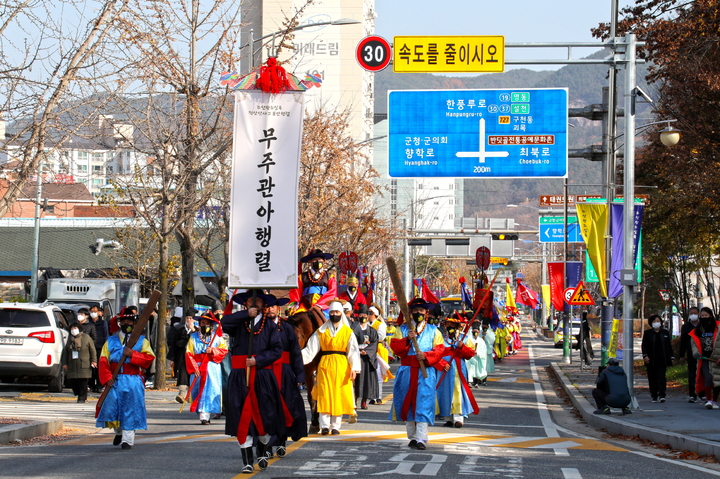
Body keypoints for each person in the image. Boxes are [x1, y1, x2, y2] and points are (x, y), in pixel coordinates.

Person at [221, 290, 285, 473]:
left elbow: (276, 350)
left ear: (264, 305)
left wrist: (258, 360)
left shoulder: (271, 327)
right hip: (240, 375)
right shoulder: (239, 323)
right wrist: (244, 315)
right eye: (250, 301)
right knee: (241, 414)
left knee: (266, 415)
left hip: (262, 376)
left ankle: (263, 448)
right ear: (246, 304)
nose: (254, 304)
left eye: (257, 302)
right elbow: (224, 323)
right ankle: (247, 460)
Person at [389, 298, 448, 450]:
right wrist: (407, 340)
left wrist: (427, 356)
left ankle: (422, 438)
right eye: (415, 311)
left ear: (426, 312)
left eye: (421, 311)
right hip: (407, 371)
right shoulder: (402, 329)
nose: (418, 313)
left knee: (423, 402)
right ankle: (412, 437)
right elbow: (395, 347)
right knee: (407, 402)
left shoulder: (434, 331)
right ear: (410, 313)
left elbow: (440, 350)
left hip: (425, 372)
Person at [96, 312, 155, 449]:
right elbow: (103, 360)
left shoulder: (142, 341)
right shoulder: (110, 341)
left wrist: (133, 354)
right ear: (119, 324)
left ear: (134, 324)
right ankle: (119, 432)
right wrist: (107, 378)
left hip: (133, 380)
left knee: (130, 408)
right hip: (115, 380)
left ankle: (127, 440)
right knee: (113, 408)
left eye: (129, 322)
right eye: (123, 322)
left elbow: (149, 358)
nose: (126, 324)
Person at [301, 300, 361, 435]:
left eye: (337, 312)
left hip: (342, 366)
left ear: (341, 314)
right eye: (332, 312)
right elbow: (310, 350)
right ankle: (324, 425)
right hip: (325, 365)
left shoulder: (348, 332)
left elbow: (353, 351)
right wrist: (296, 358)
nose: (335, 314)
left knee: (338, 395)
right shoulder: (321, 332)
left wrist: (354, 368)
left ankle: (335, 426)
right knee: (324, 394)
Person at [266, 294, 307, 457]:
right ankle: (266, 445)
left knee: (286, 407)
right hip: (265, 372)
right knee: (267, 408)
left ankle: (281, 440)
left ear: (278, 309)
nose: (269, 309)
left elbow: (296, 353)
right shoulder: (258, 327)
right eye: (267, 307)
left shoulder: (287, 328)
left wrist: (299, 376)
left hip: (285, 372)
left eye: (273, 306)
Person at [185, 312, 228, 425]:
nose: (205, 325)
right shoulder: (193, 337)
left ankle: (205, 415)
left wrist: (214, 350)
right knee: (197, 390)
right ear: (199, 324)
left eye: (207, 323)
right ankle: (201, 412)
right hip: (198, 367)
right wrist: (194, 368)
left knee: (210, 390)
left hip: (212, 368)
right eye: (203, 323)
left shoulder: (217, 337)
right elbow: (189, 353)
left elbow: (224, 350)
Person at [436, 314, 479, 428]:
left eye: (452, 324)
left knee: (458, 392)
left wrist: (462, 347)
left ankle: (458, 418)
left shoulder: (464, 338)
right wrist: (441, 363)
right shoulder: (440, 338)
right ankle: (448, 418)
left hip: (458, 370)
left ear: (457, 326)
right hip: (444, 370)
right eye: (448, 324)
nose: (450, 326)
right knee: (444, 392)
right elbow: (435, 353)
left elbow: (470, 354)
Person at [689, 307, 720, 409]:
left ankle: (715, 401)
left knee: (717, 380)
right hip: (705, 358)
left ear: (710, 315)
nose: (704, 317)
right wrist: (696, 353)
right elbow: (694, 343)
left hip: (716, 358)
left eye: (706, 315)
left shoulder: (717, 327)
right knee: (708, 378)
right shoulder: (697, 330)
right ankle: (709, 400)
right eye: (702, 316)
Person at [641, 314, 674, 403]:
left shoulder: (665, 333)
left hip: (662, 358)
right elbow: (644, 345)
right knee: (652, 377)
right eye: (654, 321)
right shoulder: (648, 333)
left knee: (661, 377)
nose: (656, 323)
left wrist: (671, 356)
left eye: (658, 321)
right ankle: (654, 395)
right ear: (651, 323)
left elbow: (668, 346)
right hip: (651, 359)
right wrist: (645, 355)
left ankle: (662, 394)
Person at [62, 322, 97, 402]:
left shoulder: (86, 338)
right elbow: (66, 352)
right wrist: (64, 363)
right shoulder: (70, 339)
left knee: (83, 382)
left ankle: (82, 398)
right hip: (72, 363)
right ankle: (78, 393)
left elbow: (92, 350)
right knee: (72, 380)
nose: (73, 330)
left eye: (75, 329)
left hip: (84, 363)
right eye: (72, 329)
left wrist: (94, 361)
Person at [354, 304, 379, 410]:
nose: (363, 317)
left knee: (366, 381)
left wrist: (367, 352)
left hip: (367, 359)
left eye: (365, 315)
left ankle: (364, 401)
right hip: (356, 357)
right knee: (355, 380)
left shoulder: (372, 331)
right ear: (358, 316)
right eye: (361, 315)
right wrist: (357, 351)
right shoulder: (353, 329)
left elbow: (374, 343)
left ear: (368, 316)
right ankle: (353, 401)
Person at [369, 305, 391, 404]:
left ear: (375, 315)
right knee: (369, 374)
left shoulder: (380, 324)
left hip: (377, 350)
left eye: (370, 313)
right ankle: (371, 396)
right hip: (366, 349)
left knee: (378, 373)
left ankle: (378, 396)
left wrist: (368, 337)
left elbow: (380, 336)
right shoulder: (364, 324)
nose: (368, 315)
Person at [679, 307, 701, 403]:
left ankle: (702, 393)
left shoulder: (702, 325)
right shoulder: (686, 327)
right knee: (692, 373)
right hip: (690, 353)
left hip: (702, 353)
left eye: (695, 313)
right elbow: (682, 342)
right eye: (691, 313)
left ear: (699, 314)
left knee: (702, 373)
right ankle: (692, 394)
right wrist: (681, 355)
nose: (693, 315)